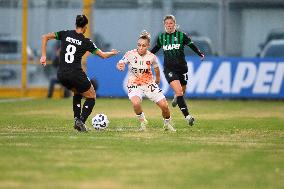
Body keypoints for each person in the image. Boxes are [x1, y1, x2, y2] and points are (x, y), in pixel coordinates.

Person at [40, 15, 118, 132]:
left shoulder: (65, 34)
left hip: (61, 74)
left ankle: (77, 119)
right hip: (75, 73)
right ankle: (81, 120)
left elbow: (45, 37)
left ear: (75, 24)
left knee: (77, 92)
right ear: (85, 27)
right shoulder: (86, 42)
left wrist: (44, 56)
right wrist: (112, 53)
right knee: (91, 96)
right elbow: (102, 55)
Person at [151, 15, 205, 127]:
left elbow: (192, 45)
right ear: (164, 25)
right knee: (179, 92)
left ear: (174, 24)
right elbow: (155, 49)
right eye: (167, 23)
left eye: (171, 23)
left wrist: (200, 53)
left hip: (182, 68)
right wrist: (146, 56)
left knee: (182, 91)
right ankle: (187, 117)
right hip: (169, 69)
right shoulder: (162, 37)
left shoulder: (181, 36)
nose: (169, 25)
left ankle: (177, 97)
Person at [116, 30, 176, 132]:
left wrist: (157, 80)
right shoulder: (130, 54)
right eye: (139, 45)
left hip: (148, 83)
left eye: (143, 45)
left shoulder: (152, 57)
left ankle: (167, 123)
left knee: (164, 106)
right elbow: (120, 62)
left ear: (148, 46)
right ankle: (143, 121)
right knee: (136, 103)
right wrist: (120, 65)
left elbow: (156, 69)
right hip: (134, 83)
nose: (140, 47)